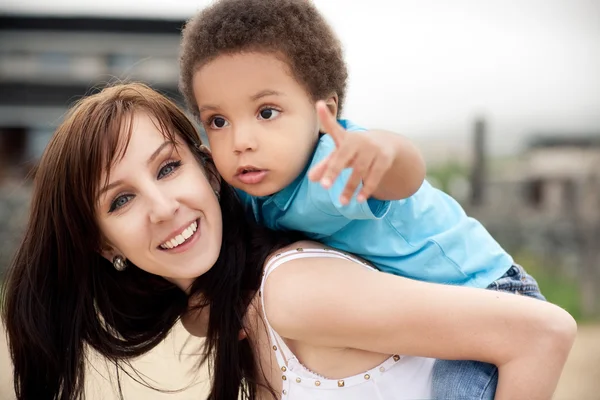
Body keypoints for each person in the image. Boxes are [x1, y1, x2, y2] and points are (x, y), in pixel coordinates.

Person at [2, 83, 575, 400]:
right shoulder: (228, 313)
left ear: (207, 169)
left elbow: (543, 332)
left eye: (169, 167)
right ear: (104, 245)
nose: (163, 206)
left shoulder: (292, 291)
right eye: (120, 200)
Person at [179, 1, 552, 398]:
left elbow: (404, 178)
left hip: (489, 293)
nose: (241, 142)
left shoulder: (332, 165)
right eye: (218, 121)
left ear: (326, 111)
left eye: (267, 112)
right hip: (438, 311)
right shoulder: (252, 187)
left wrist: (384, 153)